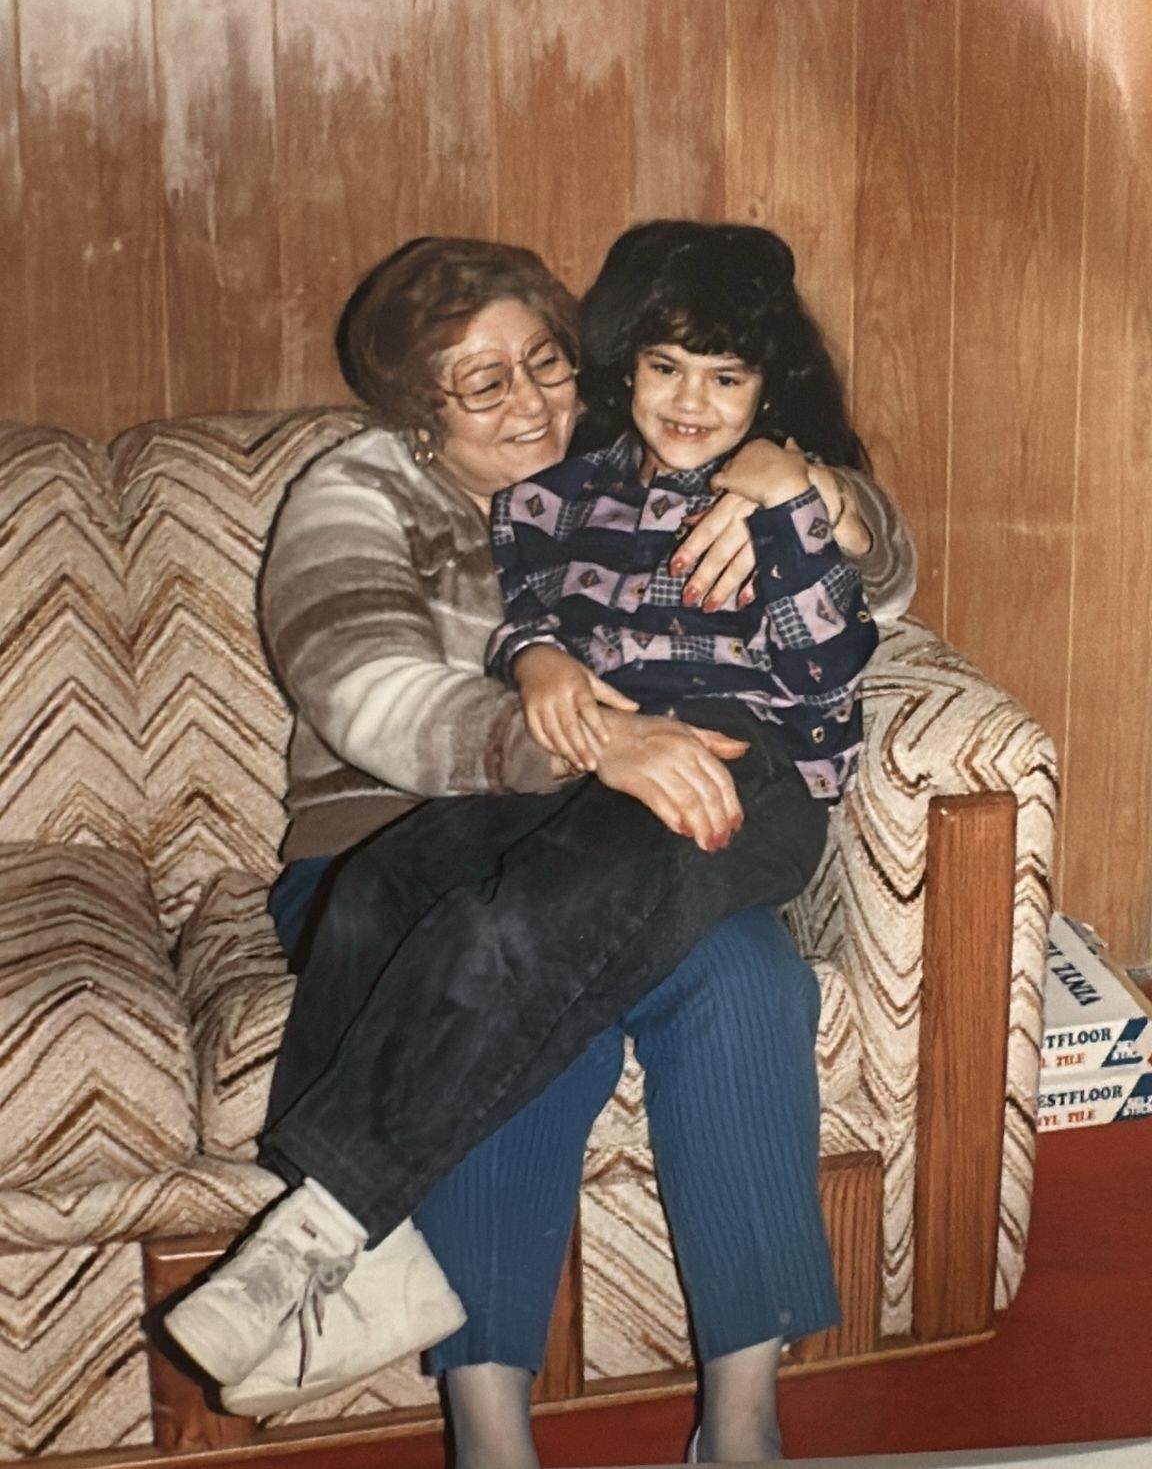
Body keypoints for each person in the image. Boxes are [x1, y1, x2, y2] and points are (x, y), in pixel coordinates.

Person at [166, 230, 917, 1465]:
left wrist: (811, 488)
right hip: (394, 836)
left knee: (745, 975)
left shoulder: (648, 462)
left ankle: (744, 1425)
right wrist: (580, 736)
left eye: (547, 363)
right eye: (482, 380)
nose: (532, 401)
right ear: (417, 407)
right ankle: (492, 1434)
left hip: (625, 824)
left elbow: (870, 594)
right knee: (506, 967)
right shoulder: (358, 490)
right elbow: (367, 695)